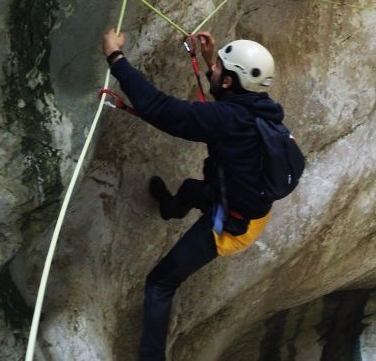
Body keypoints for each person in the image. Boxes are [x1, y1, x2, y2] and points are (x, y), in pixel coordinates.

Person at [102, 28, 284, 360]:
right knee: (188, 189)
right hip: (243, 200)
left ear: (229, 82)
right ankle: (169, 208)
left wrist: (116, 57)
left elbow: (159, 108)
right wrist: (212, 60)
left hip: (229, 225)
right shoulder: (261, 107)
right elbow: (231, 106)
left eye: (217, 72)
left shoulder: (227, 120)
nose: (211, 72)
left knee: (159, 284)